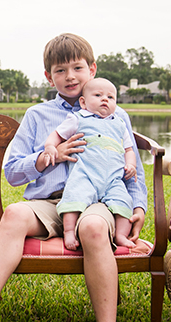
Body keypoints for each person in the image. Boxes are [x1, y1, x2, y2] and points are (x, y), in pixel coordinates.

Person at [0, 33, 147, 322]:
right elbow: (13, 172)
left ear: (91, 69)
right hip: (48, 203)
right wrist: (48, 158)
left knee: (91, 228)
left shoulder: (114, 113)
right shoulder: (37, 115)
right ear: (49, 77)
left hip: (95, 203)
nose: (71, 76)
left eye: (77, 68)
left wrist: (138, 208)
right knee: (14, 214)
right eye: (61, 70)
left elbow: (131, 164)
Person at [41, 77, 139, 251]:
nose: (105, 99)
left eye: (110, 97)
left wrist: (131, 165)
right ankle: (69, 231)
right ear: (83, 102)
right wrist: (50, 146)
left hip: (114, 179)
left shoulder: (119, 124)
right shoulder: (78, 118)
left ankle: (121, 235)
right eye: (98, 95)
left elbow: (129, 149)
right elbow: (57, 134)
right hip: (85, 174)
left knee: (124, 202)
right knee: (74, 197)